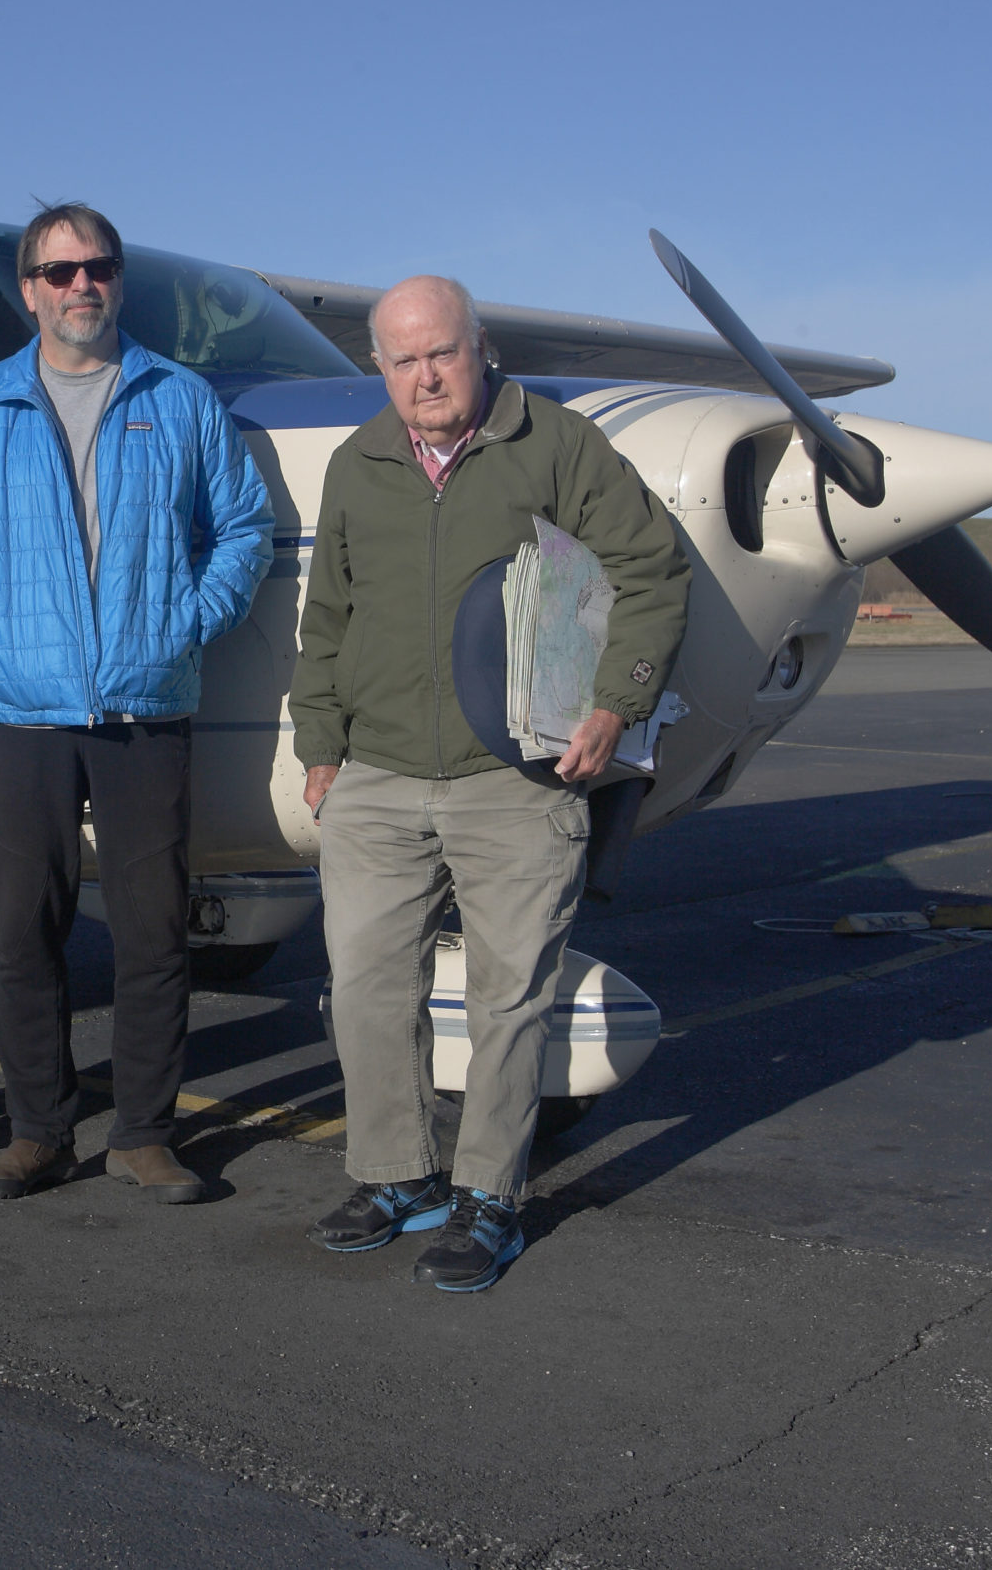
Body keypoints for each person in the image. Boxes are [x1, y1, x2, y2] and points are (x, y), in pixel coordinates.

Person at [291, 274, 689, 1290]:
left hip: (513, 775)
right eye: (403, 359)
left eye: (442, 352)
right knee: (367, 990)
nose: (424, 375)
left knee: (509, 999)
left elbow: (651, 569)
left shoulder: (555, 444)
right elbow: (327, 613)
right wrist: (321, 742)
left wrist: (617, 702)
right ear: (379, 367)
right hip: (377, 775)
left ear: (480, 349)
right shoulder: (357, 461)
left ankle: (489, 1199)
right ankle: (396, 1176)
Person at [0, 203, 274, 1203]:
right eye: (59, 271)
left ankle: (143, 1136)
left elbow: (241, 526)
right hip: (19, 711)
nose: (82, 285)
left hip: (145, 706)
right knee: (26, 933)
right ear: (29, 289)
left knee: (152, 935)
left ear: (118, 280)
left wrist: (184, 622)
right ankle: (38, 1132)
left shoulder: (179, 398)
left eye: (98, 267)